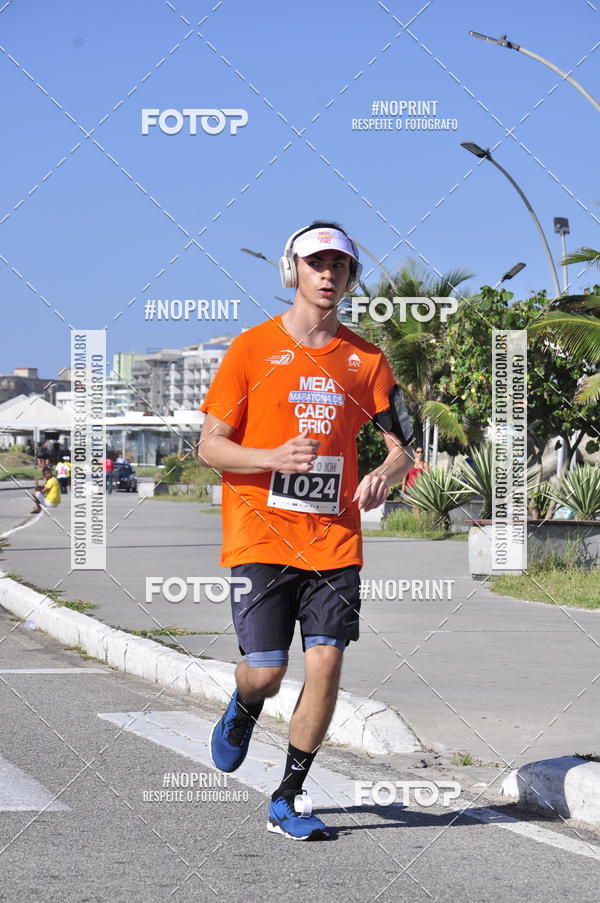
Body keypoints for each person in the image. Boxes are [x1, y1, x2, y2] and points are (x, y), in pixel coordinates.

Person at [198, 221, 413, 841]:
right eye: (316, 264)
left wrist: (386, 470)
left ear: (349, 279)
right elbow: (211, 447)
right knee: (265, 672)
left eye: (339, 267)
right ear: (293, 272)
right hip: (261, 537)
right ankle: (244, 705)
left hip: (334, 540)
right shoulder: (250, 350)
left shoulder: (364, 359)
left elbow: (406, 444)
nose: (328, 275)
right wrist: (272, 458)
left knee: (325, 664)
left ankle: (288, 795)